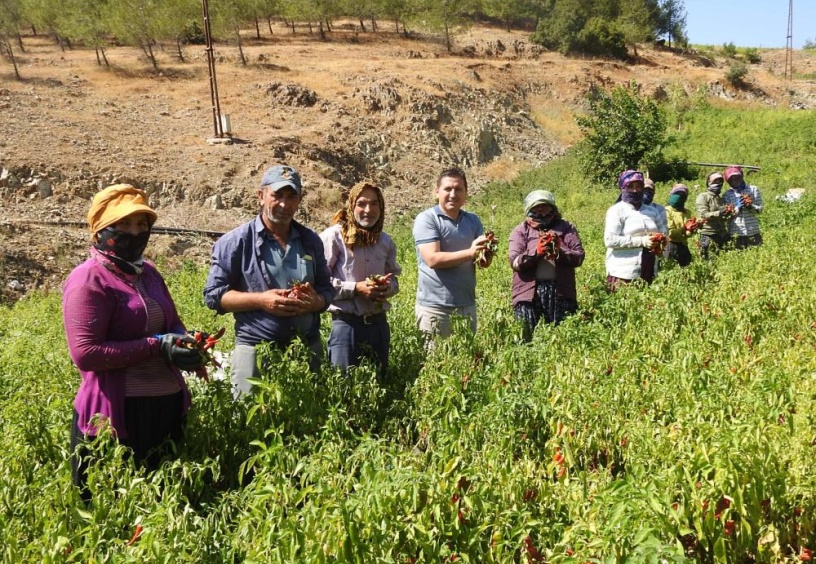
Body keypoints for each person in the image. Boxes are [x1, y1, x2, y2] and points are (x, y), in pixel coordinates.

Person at [63, 184, 203, 500]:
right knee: (110, 506)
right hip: (118, 415)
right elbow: (86, 353)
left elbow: (171, 322)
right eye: (123, 224)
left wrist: (183, 340)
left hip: (164, 409)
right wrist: (157, 345)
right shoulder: (89, 279)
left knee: (161, 502)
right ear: (100, 229)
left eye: (142, 224)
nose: (134, 232)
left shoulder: (148, 273)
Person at [203, 165, 334, 396]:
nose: (284, 204)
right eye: (277, 195)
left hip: (306, 348)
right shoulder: (235, 242)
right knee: (250, 421)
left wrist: (317, 302)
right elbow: (214, 295)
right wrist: (262, 301)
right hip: (256, 349)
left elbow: (326, 288)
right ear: (261, 196)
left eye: (292, 196)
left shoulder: (310, 240)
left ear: (299, 200)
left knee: (309, 422)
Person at [320, 182, 401, 377]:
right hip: (346, 326)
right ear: (351, 206)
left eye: (374, 204)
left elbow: (395, 280)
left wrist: (385, 288)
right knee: (344, 389)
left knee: (380, 386)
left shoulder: (385, 241)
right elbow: (320, 283)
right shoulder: (334, 238)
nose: (368, 210)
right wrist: (355, 288)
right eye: (362, 203)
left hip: (378, 325)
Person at [413, 167, 491, 341]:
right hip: (435, 308)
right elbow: (432, 259)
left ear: (466, 193)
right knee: (435, 363)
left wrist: (485, 255)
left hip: (466, 305)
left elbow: (480, 261)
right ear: (437, 191)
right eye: (448, 189)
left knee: (468, 362)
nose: (453, 194)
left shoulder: (473, 220)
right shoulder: (427, 219)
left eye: (458, 189)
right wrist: (471, 252)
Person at [508, 189, 585, 342]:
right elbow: (514, 261)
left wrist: (559, 250)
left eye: (546, 207)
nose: (542, 212)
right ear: (529, 210)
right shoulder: (520, 231)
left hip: (561, 291)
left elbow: (579, 256)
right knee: (526, 339)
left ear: (553, 209)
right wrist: (536, 252)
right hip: (528, 294)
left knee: (563, 339)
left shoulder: (565, 227)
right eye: (537, 208)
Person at [604, 170, 661, 290]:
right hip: (623, 272)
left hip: (649, 267)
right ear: (623, 188)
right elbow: (610, 240)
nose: (635, 190)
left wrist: (659, 240)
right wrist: (641, 241)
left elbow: (662, 233)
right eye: (630, 187)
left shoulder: (652, 211)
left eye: (639, 186)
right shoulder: (616, 211)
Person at [722, 165, 764, 249]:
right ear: (728, 181)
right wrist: (737, 208)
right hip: (736, 233)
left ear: (741, 176)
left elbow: (760, 210)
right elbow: (726, 217)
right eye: (732, 178)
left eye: (737, 177)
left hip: (752, 230)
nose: (735, 180)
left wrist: (750, 206)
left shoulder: (753, 189)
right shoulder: (727, 195)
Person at [695, 171, 731, 259]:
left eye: (720, 181)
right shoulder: (703, 196)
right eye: (715, 181)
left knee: (723, 258)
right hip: (706, 233)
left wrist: (728, 214)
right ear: (708, 182)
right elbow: (703, 214)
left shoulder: (721, 198)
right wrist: (719, 213)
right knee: (704, 257)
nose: (718, 183)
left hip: (721, 233)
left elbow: (723, 218)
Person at [664, 184, 694, 267]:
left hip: (683, 245)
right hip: (670, 245)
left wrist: (693, 229)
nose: (679, 196)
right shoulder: (667, 210)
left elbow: (688, 233)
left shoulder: (687, 212)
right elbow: (669, 233)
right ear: (672, 194)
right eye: (677, 193)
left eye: (682, 195)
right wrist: (684, 228)